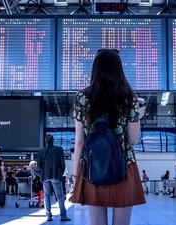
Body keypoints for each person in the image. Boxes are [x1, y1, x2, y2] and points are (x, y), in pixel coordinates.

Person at [69, 48, 146, 225]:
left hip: (93, 166)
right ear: (119, 70)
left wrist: (76, 175)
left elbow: (80, 141)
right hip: (124, 166)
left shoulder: (82, 97)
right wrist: (137, 118)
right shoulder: (129, 98)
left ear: (95, 69)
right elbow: (133, 140)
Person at [37, 134, 70, 222]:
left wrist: (41, 176)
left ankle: (48, 216)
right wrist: (61, 174)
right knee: (59, 196)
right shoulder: (59, 149)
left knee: (46, 196)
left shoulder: (41, 151)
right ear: (53, 140)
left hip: (45, 177)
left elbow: (38, 166)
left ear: (45, 141)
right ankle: (63, 216)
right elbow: (62, 164)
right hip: (56, 175)